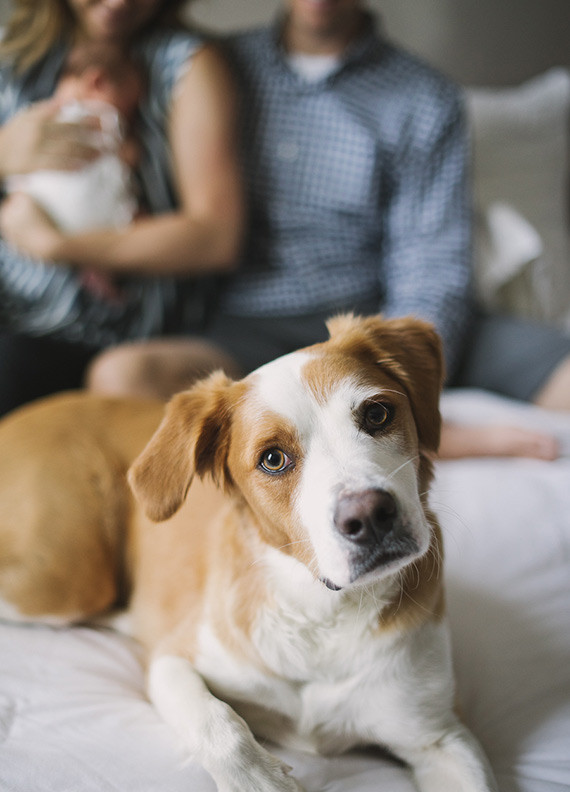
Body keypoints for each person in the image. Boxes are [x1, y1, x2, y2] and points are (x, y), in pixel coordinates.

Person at [7, 0, 570, 459]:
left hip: (376, 316)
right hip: (247, 327)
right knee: (122, 375)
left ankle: (406, 431)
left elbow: (432, 264)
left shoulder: (424, 98)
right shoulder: (218, 68)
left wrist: (410, 385)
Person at [0, 0, 243, 416]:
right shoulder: (11, 57)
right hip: (13, 312)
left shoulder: (183, 63)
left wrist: (56, 245)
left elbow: (216, 236)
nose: (119, 3)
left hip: (122, 331)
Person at [6, 43, 146, 302]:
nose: (130, 116)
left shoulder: (38, 113)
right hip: (88, 217)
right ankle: (99, 272)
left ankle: (93, 271)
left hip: (33, 207)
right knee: (133, 221)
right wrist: (130, 148)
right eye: (129, 107)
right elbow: (124, 151)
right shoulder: (98, 113)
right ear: (98, 82)